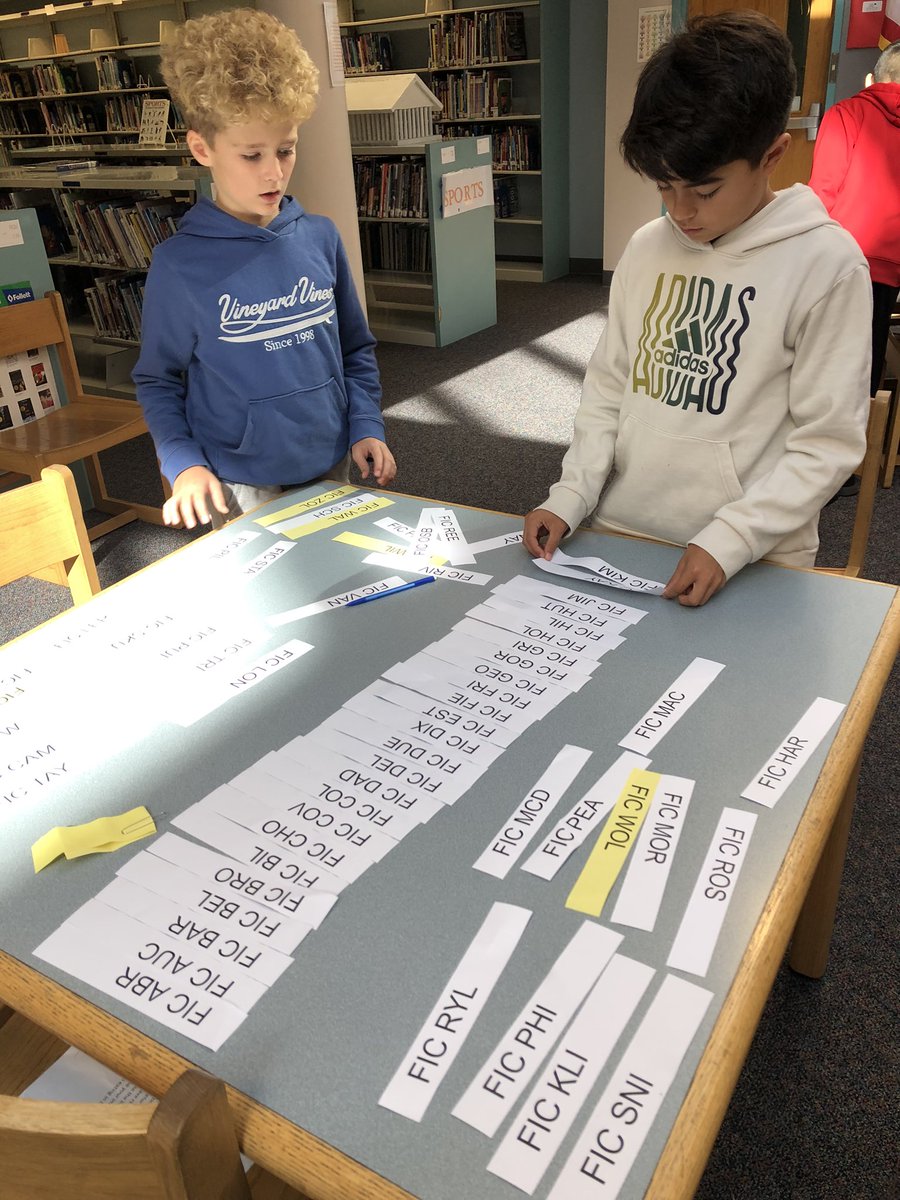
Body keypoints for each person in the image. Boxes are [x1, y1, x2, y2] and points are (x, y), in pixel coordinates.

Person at [523, 12, 872, 607]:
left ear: (773, 154)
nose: (681, 211)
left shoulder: (827, 265)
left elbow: (827, 444)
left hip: (757, 554)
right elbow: (609, 387)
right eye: (664, 186)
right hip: (625, 529)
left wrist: (732, 537)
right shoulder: (646, 248)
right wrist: (570, 495)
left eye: (704, 190)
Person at [133, 9, 396, 529]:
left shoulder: (320, 237)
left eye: (286, 149)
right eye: (251, 154)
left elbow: (354, 348)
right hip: (240, 479)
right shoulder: (179, 265)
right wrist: (182, 464)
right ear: (201, 148)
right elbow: (158, 380)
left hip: (330, 457)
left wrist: (366, 423)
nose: (274, 171)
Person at [808, 39, 900, 399]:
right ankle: (865, 433)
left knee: (830, 350)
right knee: (872, 349)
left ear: (869, 80)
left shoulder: (847, 114)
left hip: (844, 256)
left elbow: (823, 191)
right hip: (892, 263)